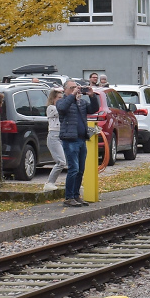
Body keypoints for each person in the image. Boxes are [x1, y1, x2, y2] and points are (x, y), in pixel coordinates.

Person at [55, 79, 100, 207]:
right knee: (73, 169)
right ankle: (68, 197)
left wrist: (92, 96)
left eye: (76, 87)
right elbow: (62, 109)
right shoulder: (62, 101)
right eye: (72, 87)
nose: (75, 89)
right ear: (65, 90)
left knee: (80, 169)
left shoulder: (80, 103)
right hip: (70, 139)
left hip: (81, 138)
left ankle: (76, 195)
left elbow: (93, 109)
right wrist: (72, 95)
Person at [45, 94, 68, 190]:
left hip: (63, 135)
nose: (61, 100)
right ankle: (50, 182)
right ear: (53, 99)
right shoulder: (51, 108)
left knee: (70, 161)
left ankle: (71, 184)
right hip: (54, 136)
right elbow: (59, 111)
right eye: (59, 97)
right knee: (61, 161)